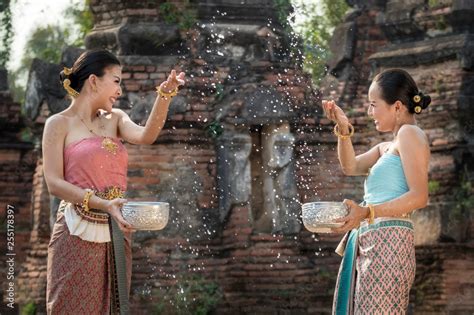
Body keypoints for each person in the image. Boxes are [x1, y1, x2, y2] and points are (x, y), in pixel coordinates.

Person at [43, 49, 185, 314]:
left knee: (113, 307)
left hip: (115, 230)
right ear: (94, 80)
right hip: (76, 230)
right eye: (117, 80)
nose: (120, 90)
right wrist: (102, 203)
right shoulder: (58, 124)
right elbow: (53, 182)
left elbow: (146, 136)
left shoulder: (116, 119)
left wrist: (164, 95)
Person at [322, 68, 431, 314]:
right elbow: (350, 167)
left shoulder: (409, 134)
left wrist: (366, 211)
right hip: (373, 240)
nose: (370, 112)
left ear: (397, 107)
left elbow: (419, 196)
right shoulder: (386, 147)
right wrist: (343, 128)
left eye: (374, 104)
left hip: (389, 241)